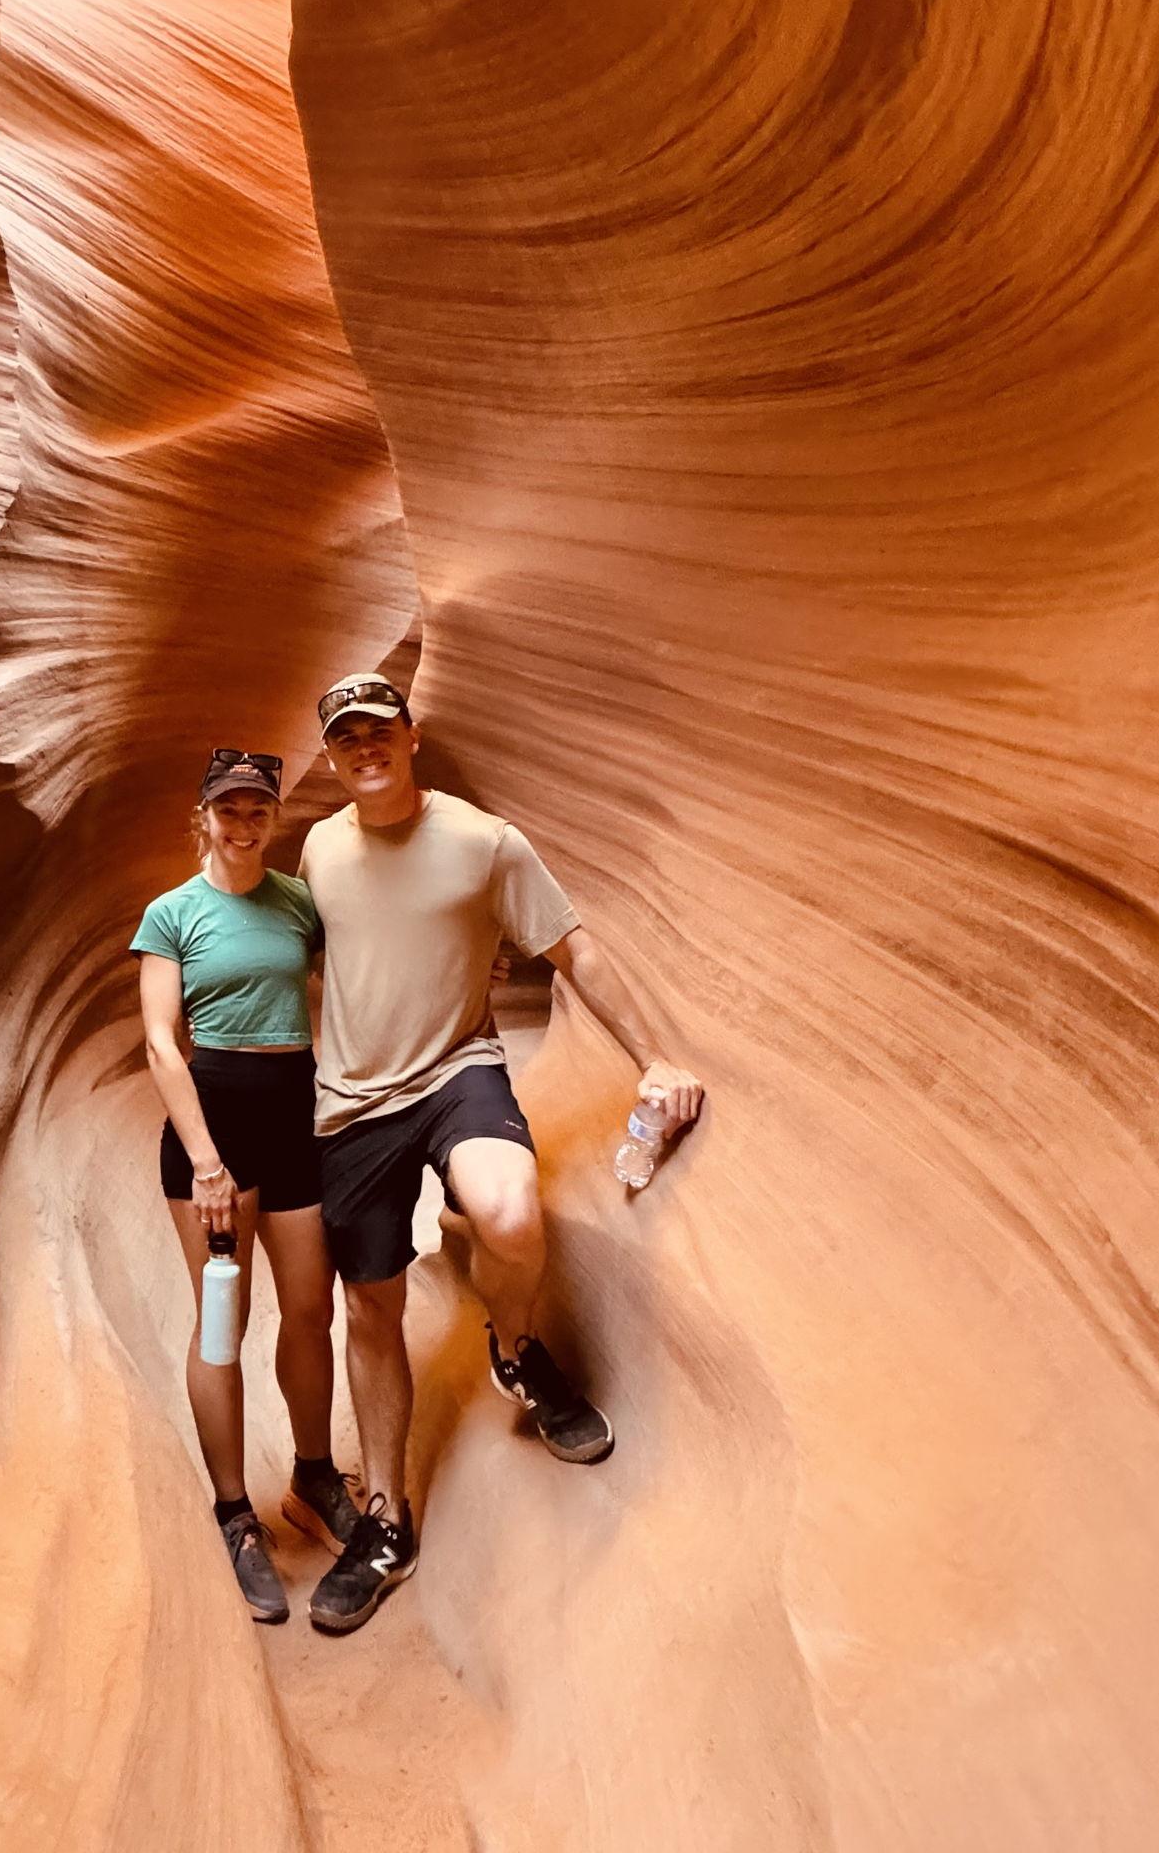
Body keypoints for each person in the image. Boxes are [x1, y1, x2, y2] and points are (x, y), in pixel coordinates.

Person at [298, 673, 705, 1633]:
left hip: (456, 1073)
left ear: (412, 733)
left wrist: (657, 1057)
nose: (366, 747)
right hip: (352, 1102)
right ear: (331, 755)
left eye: (380, 729)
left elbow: (577, 951)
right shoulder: (319, 848)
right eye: (347, 736)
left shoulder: (486, 842)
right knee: (372, 1304)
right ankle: (388, 1523)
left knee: (512, 1214)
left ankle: (516, 1350)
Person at [131, 747, 362, 1624]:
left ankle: (310, 1476)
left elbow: (362, 967)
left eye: (257, 808)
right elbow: (161, 1041)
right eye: (227, 808)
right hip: (212, 1135)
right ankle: (236, 1513)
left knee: (312, 1309)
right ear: (204, 816)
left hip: (295, 1119)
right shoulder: (172, 914)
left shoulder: (299, 902)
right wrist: (208, 1164)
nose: (242, 821)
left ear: (274, 817)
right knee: (220, 1322)